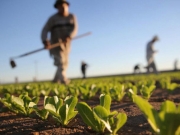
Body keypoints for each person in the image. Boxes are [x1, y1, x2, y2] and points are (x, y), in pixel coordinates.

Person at [41, 0, 78, 84]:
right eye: (59, 6)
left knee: (65, 62)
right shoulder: (52, 19)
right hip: (55, 44)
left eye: (63, 6)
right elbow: (45, 30)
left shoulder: (72, 17)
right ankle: (63, 80)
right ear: (57, 7)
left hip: (66, 45)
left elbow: (75, 29)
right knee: (60, 61)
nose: (62, 8)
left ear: (67, 6)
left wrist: (69, 36)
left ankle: (55, 80)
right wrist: (45, 41)